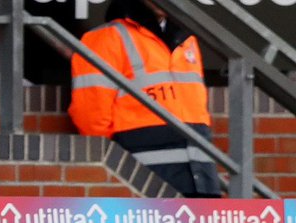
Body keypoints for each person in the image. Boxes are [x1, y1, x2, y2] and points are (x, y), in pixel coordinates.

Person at [69, 0, 220, 198]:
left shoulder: (186, 39)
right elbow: (91, 117)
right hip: (143, 179)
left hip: (200, 177)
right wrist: (119, 169)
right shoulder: (105, 37)